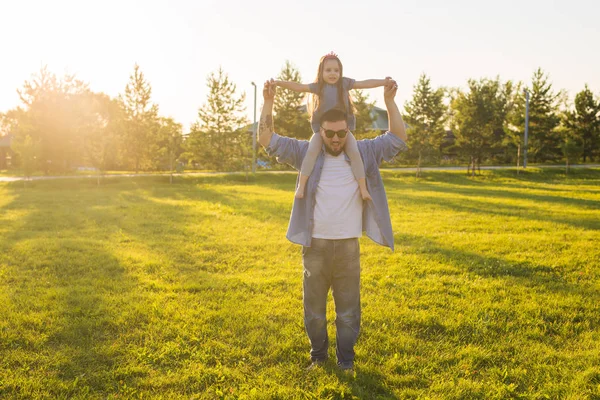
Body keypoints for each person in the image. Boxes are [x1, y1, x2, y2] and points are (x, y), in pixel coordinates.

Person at [257, 77, 408, 372]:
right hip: (315, 246)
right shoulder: (305, 154)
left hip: (348, 247)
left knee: (348, 312)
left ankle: (346, 361)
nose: (336, 139)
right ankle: (318, 357)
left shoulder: (363, 153)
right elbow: (267, 140)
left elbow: (397, 139)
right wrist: (268, 101)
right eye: (330, 134)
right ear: (320, 131)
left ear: (347, 130)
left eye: (341, 133)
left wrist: (389, 102)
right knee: (314, 311)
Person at [272, 52, 391, 200]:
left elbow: (364, 84)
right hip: (322, 131)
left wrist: (383, 82)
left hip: (342, 131)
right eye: (328, 70)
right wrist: (278, 83)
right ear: (321, 72)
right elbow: (298, 87)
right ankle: (301, 186)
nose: (333, 73)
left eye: (336, 70)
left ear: (340, 72)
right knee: (311, 153)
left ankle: (363, 189)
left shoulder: (345, 84)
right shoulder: (318, 87)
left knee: (355, 154)